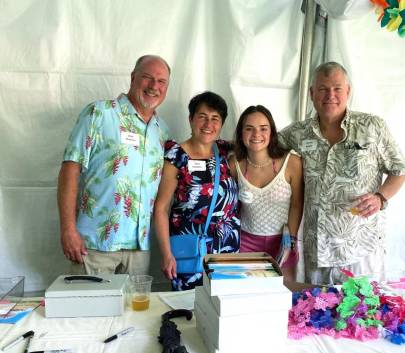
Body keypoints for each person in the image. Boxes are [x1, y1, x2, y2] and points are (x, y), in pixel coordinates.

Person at [279, 62, 405, 285]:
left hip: (361, 249)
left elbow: (400, 170)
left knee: (363, 314)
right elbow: (261, 146)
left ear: (348, 91)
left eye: (337, 88)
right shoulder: (297, 134)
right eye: (323, 89)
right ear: (311, 94)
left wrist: (381, 197)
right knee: (319, 313)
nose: (330, 95)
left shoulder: (372, 127)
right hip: (317, 250)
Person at [57, 55, 171, 275]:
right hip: (93, 245)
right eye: (147, 78)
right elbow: (70, 170)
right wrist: (68, 229)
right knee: (89, 310)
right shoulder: (99, 113)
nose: (154, 86)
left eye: (161, 81)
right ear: (133, 78)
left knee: (136, 310)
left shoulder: (162, 131)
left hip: (139, 250)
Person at [154, 91, 240, 290]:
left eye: (215, 119)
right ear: (191, 119)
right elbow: (160, 208)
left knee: (223, 312)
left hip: (226, 254)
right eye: (202, 117)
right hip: (189, 253)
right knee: (188, 312)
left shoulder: (226, 151)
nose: (208, 124)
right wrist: (167, 254)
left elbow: (259, 146)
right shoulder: (177, 156)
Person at [229, 105, 303, 282]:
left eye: (263, 129)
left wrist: (291, 240)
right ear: (241, 133)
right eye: (249, 129)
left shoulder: (291, 162)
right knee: (250, 298)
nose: (256, 135)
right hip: (245, 243)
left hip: (283, 243)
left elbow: (297, 204)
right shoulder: (234, 164)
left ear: (272, 132)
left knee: (284, 297)